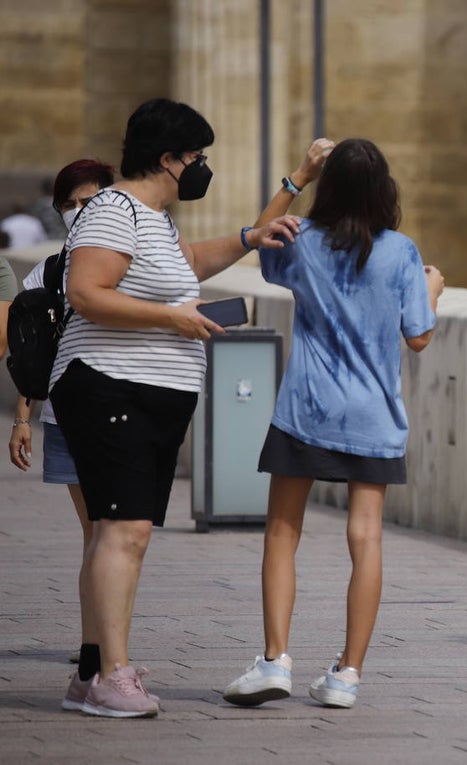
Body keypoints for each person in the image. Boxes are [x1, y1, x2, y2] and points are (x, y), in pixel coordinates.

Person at [47, 97, 301, 718]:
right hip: (111, 386)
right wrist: (171, 317)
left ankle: (94, 669)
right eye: (197, 157)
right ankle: (112, 675)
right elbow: (85, 291)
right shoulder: (112, 210)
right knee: (123, 530)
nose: (202, 167)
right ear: (168, 159)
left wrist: (247, 238)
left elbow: (181, 267)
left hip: (146, 394)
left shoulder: (150, 218)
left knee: (117, 530)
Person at [223, 138, 444, 710]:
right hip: (373, 415)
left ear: (331, 186)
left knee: (282, 532)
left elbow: (260, 236)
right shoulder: (401, 253)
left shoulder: (302, 242)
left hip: (306, 408)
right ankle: (347, 674)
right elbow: (418, 336)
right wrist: (435, 289)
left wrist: (297, 175)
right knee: (365, 539)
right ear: (384, 190)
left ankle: (274, 660)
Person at [9, 159, 116, 672]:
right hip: (65, 416)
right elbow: (27, 350)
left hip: (119, 411)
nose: (78, 212)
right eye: (68, 205)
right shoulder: (49, 270)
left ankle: (98, 649)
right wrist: (22, 418)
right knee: (98, 532)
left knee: (106, 534)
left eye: (88, 201)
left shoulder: (129, 262)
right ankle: (99, 651)